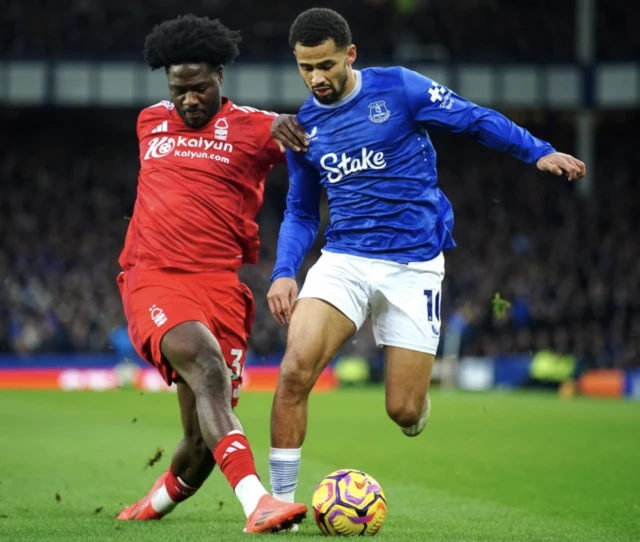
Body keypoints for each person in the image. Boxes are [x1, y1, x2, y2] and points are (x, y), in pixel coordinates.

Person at [266, 7, 586, 504]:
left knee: (404, 412)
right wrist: (285, 272)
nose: (316, 78)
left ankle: (417, 403)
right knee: (293, 371)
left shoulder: (399, 89)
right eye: (305, 68)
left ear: (350, 55)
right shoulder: (303, 127)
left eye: (325, 65)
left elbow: (473, 118)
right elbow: (302, 212)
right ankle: (279, 505)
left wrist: (536, 151)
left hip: (413, 264)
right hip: (344, 260)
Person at [115, 14, 308, 533]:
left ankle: (150, 507)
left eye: (199, 88)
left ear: (219, 76)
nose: (189, 100)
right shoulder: (148, 121)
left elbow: (313, 139)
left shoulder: (259, 129)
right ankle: (258, 505)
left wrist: (294, 127)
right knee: (206, 365)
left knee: (200, 445)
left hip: (221, 287)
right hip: (154, 277)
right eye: (179, 90)